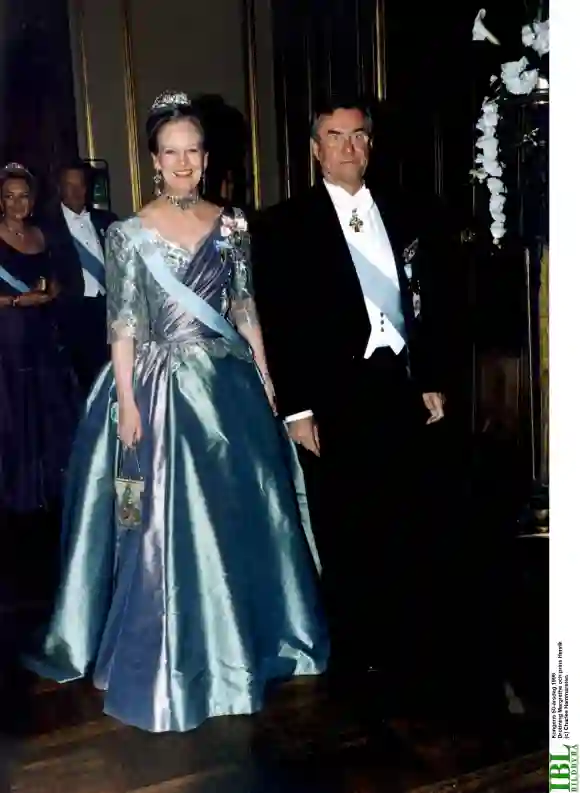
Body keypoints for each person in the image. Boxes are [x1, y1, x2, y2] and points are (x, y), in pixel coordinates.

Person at [28, 91, 328, 733]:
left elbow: (245, 308)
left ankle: (241, 644)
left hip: (228, 388)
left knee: (240, 517)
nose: (184, 162)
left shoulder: (234, 226)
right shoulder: (129, 234)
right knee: (157, 523)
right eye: (172, 153)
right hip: (158, 391)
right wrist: (129, 403)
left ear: (205, 156)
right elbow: (125, 322)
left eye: (193, 150)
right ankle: (165, 653)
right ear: (155, 162)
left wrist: (268, 378)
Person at [251, 98, 447, 686]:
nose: (348, 147)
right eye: (335, 137)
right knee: (344, 524)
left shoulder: (408, 211)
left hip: (398, 383)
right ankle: (356, 648)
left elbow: (428, 300)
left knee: (405, 514)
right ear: (315, 149)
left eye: (358, 136)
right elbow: (280, 321)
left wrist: (431, 377)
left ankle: (405, 639)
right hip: (331, 394)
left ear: (371, 145)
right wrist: (298, 409)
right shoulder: (285, 223)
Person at [0, 163, 79, 517]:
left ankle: (47, 486)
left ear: (32, 201)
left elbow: (57, 278)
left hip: (42, 333)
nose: (17, 204)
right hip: (8, 336)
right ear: (0, 201)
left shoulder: (42, 236)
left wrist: (51, 291)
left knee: (46, 408)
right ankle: (18, 490)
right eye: (9, 197)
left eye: (24, 196)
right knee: (15, 412)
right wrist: (17, 301)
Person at [42, 162, 117, 395]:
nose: (75, 192)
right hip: (75, 313)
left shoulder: (107, 220)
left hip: (111, 308)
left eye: (80, 185)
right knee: (89, 385)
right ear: (59, 189)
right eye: (69, 186)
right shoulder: (46, 226)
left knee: (118, 374)